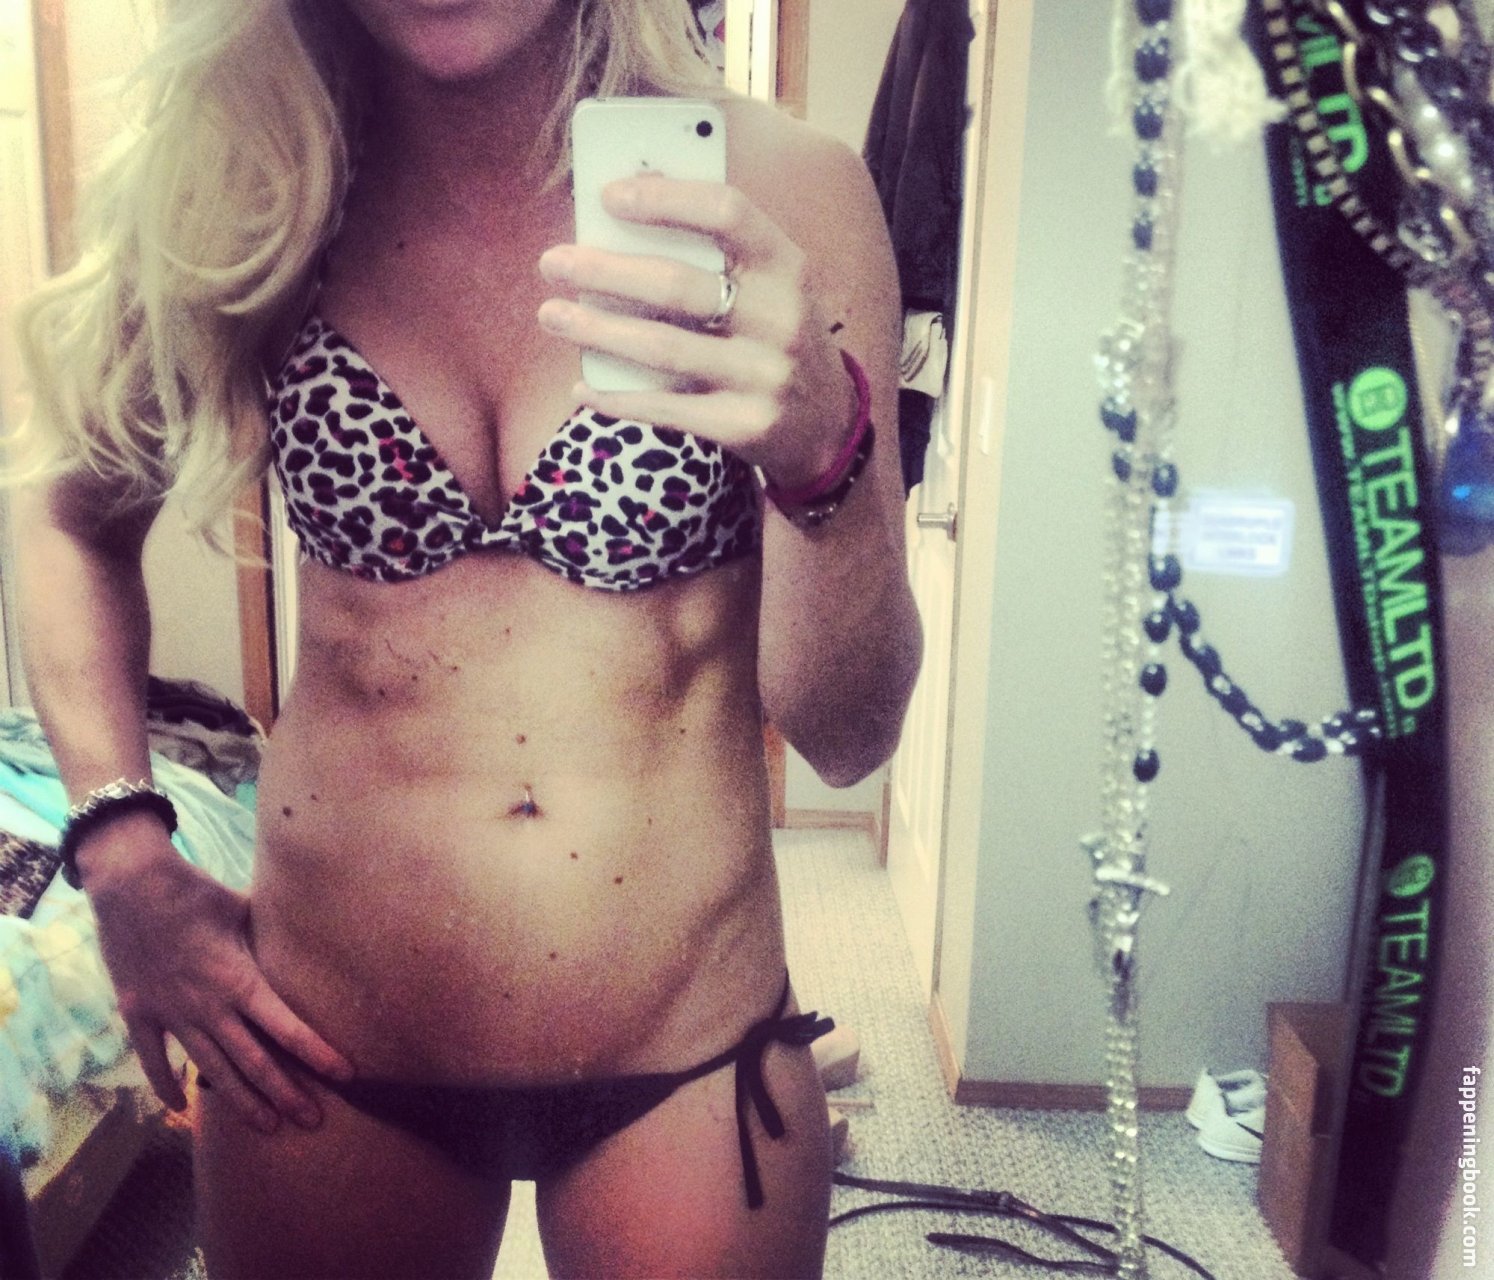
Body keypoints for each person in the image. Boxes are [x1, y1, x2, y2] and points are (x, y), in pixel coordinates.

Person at [11, 0, 921, 1275]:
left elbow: (848, 731)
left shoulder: (783, 194)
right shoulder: (247, 180)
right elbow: (70, 518)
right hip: (324, 1041)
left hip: (688, 1043)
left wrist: (824, 454)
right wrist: (120, 850)